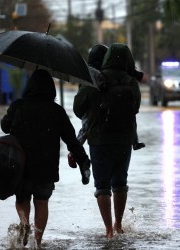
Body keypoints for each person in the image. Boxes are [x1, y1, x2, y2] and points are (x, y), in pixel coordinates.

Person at [1, 69, 91, 247]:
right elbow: (71, 140)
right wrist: (83, 161)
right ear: (51, 89)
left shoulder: (19, 105)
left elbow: (5, 127)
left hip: (21, 165)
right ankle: (37, 242)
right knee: (42, 202)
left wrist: (12, 113)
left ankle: (24, 223)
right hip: (46, 167)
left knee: (22, 199)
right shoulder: (56, 111)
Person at [73, 43, 141, 238]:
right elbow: (135, 107)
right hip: (124, 139)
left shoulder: (95, 79)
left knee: (102, 186)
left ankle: (109, 229)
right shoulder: (131, 81)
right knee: (120, 182)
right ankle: (119, 224)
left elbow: (78, 109)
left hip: (99, 140)